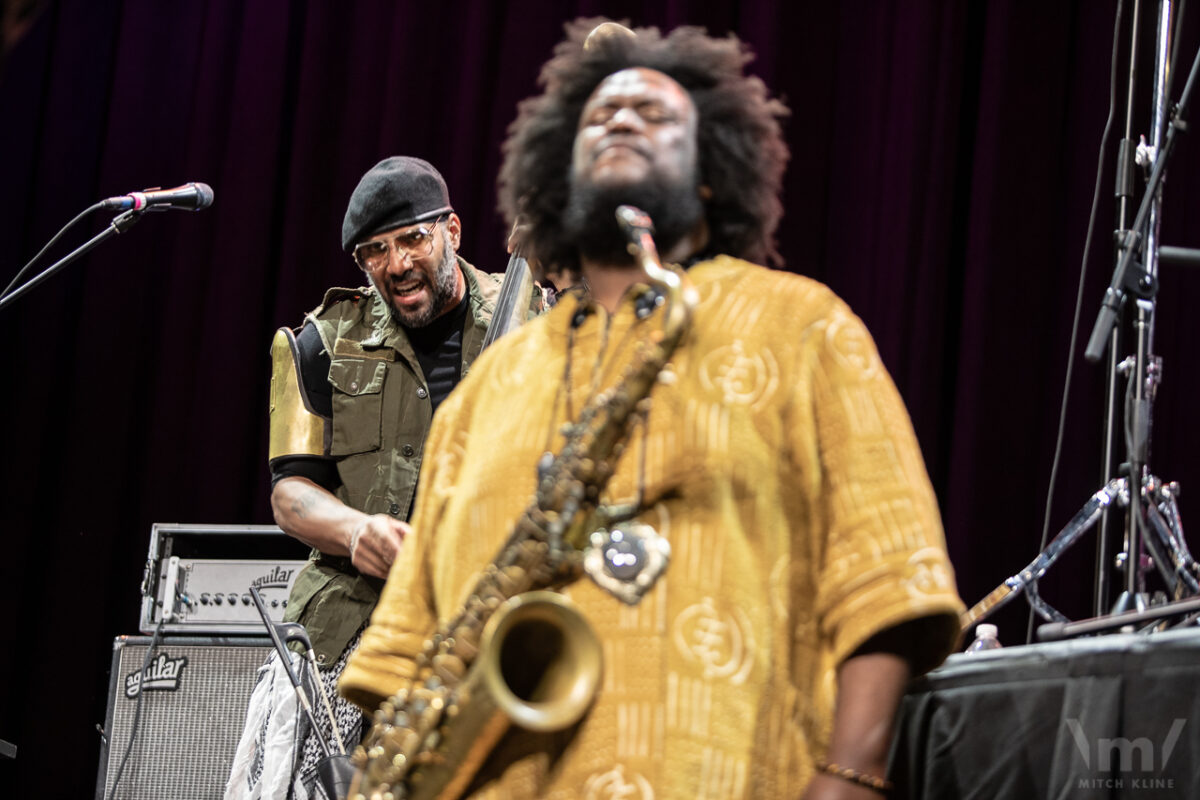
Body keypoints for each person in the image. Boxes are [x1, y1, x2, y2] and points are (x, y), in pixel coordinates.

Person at [342, 20, 964, 800]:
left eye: (659, 116)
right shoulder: (490, 387)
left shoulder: (806, 327)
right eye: (595, 118)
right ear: (553, 178)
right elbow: (407, 654)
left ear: (711, 174)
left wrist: (849, 780)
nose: (622, 119)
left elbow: (887, 584)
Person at [227, 156, 523, 800]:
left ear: (453, 229)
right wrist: (355, 528)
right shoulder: (318, 343)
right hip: (355, 617)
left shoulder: (533, 321)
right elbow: (290, 493)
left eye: (414, 238)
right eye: (374, 252)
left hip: (493, 618)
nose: (396, 265)